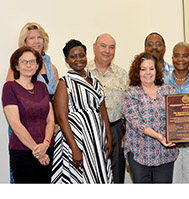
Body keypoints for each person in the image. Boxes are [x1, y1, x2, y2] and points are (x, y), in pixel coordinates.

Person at [51, 39, 113, 183]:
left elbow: (103, 111)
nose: (78, 59)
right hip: (76, 139)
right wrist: (74, 147)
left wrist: (109, 138)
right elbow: (61, 118)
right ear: (67, 60)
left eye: (82, 55)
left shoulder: (95, 81)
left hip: (97, 139)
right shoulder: (64, 83)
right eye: (73, 56)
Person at [5, 22, 59, 183]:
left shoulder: (50, 70)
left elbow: (55, 99)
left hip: (46, 133)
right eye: (31, 38)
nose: (36, 41)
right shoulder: (12, 83)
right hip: (24, 132)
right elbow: (15, 117)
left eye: (39, 37)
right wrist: (39, 151)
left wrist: (47, 140)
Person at [121, 52, 178, 183]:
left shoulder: (169, 90)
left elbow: (180, 114)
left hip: (165, 152)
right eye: (143, 69)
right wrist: (159, 137)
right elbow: (136, 122)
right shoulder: (131, 93)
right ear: (137, 72)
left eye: (151, 68)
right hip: (139, 152)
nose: (148, 73)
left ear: (157, 71)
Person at [87, 33, 128, 183]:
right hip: (90, 130)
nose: (107, 51)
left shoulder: (123, 74)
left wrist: (127, 132)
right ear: (94, 47)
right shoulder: (83, 72)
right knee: (92, 175)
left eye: (111, 47)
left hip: (116, 129)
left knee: (116, 175)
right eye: (103, 46)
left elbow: (130, 106)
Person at [164, 42, 189, 183]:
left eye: (185, 56)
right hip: (170, 143)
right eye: (177, 56)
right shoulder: (163, 82)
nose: (181, 59)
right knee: (173, 182)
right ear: (172, 58)